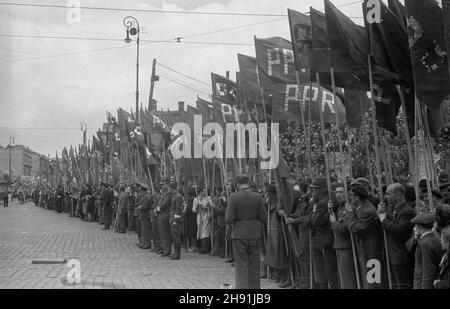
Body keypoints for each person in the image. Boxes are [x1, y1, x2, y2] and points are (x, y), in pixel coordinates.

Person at [225, 175, 267, 289]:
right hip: (254, 233)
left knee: (241, 265)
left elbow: (228, 219)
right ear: (248, 183)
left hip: (239, 233)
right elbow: (263, 218)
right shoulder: (257, 196)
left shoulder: (233, 197)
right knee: (254, 264)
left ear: (237, 184)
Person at [378, 183, 416, 289]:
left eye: (388, 194)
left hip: (401, 256)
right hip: (391, 254)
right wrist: (381, 213)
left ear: (398, 195)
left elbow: (398, 230)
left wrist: (383, 219)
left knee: (403, 285)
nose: (385, 197)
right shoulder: (391, 208)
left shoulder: (407, 211)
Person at [306, 176, 339, 289]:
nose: (313, 190)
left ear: (323, 188)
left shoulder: (325, 201)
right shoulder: (319, 199)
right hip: (322, 237)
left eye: (316, 188)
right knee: (323, 270)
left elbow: (314, 221)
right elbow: (309, 216)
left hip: (324, 238)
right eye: (313, 188)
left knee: (324, 270)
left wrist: (310, 216)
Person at [329, 184, 357, 289]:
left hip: (347, 246)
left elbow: (345, 229)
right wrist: (330, 210)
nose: (337, 195)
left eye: (341, 192)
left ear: (348, 194)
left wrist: (334, 222)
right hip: (340, 245)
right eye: (336, 192)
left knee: (348, 278)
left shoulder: (349, 208)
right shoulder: (340, 207)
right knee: (343, 277)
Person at [407, 213, 443, 289]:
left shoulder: (424, 244)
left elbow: (428, 270)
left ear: (418, 227)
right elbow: (409, 247)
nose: (414, 228)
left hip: (422, 284)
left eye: (415, 226)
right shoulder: (434, 239)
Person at [265, 184, 290, 288]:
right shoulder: (268, 203)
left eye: (268, 193)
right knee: (273, 253)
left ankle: (284, 277)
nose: (267, 195)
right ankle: (277, 275)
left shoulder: (279, 203)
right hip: (272, 230)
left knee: (280, 254)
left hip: (279, 231)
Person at [156, 183, 174, 256]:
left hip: (165, 215)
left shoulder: (169, 194)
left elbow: (165, 204)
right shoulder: (164, 193)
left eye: (163, 184)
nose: (162, 186)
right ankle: (163, 248)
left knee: (166, 234)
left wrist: (157, 209)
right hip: (161, 215)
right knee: (162, 233)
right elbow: (160, 202)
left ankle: (167, 250)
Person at [192, 189, 212, 254]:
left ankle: (205, 248)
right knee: (200, 231)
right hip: (199, 216)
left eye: (206, 191)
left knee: (205, 231)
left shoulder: (208, 198)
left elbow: (210, 207)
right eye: (204, 191)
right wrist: (196, 207)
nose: (205, 192)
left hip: (206, 215)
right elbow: (193, 209)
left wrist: (202, 205)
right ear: (200, 192)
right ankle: (199, 247)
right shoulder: (196, 199)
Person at [168, 184, 184, 260]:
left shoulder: (178, 196)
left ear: (172, 188)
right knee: (174, 237)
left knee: (176, 237)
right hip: (172, 218)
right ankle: (175, 253)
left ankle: (177, 254)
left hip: (176, 220)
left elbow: (178, 210)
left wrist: (175, 220)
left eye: (169, 188)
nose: (168, 190)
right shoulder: (174, 196)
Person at [137, 183, 153, 249]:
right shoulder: (145, 195)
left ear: (142, 190)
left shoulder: (146, 196)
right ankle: (144, 243)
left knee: (145, 230)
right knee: (143, 230)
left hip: (145, 215)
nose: (139, 190)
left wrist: (139, 208)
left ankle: (147, 244)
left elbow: (144, 206)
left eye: (140, 189)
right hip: (144, 215)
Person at [150, 185, 162, 253]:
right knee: (154, 232)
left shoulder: (158, 197)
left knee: (156, 232)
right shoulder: (155, 197)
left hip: (156, 216)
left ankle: (157, 246)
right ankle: (156, 246)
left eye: (154, 191)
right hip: (154, 215)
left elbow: (155, 206)